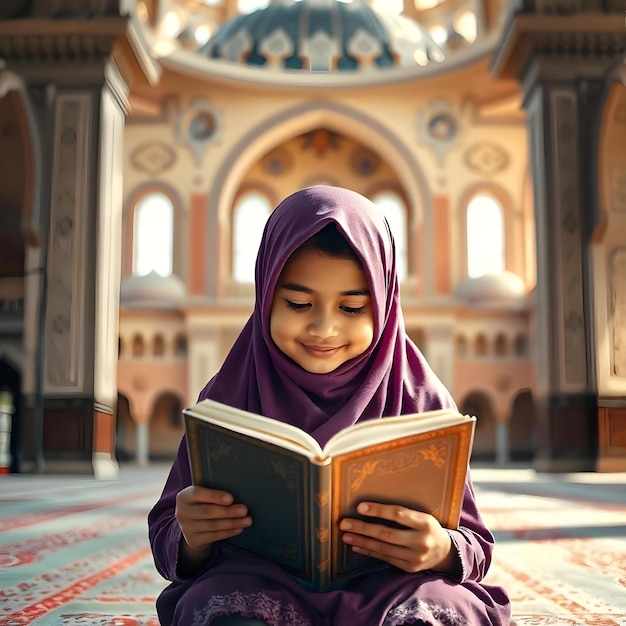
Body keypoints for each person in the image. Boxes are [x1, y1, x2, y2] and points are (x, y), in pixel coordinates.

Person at [148, 185, 511, 626]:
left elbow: (474, 542)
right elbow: (169, 536)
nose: (324, 328)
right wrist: (193, 538)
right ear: (265, 296)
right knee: (214, 606)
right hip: (258, 583)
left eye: (353, 307)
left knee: (443, 610)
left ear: (384, 302)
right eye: (299, 303)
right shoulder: (227, 395)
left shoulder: (421, 398)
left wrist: (438, 549)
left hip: (391, 585)